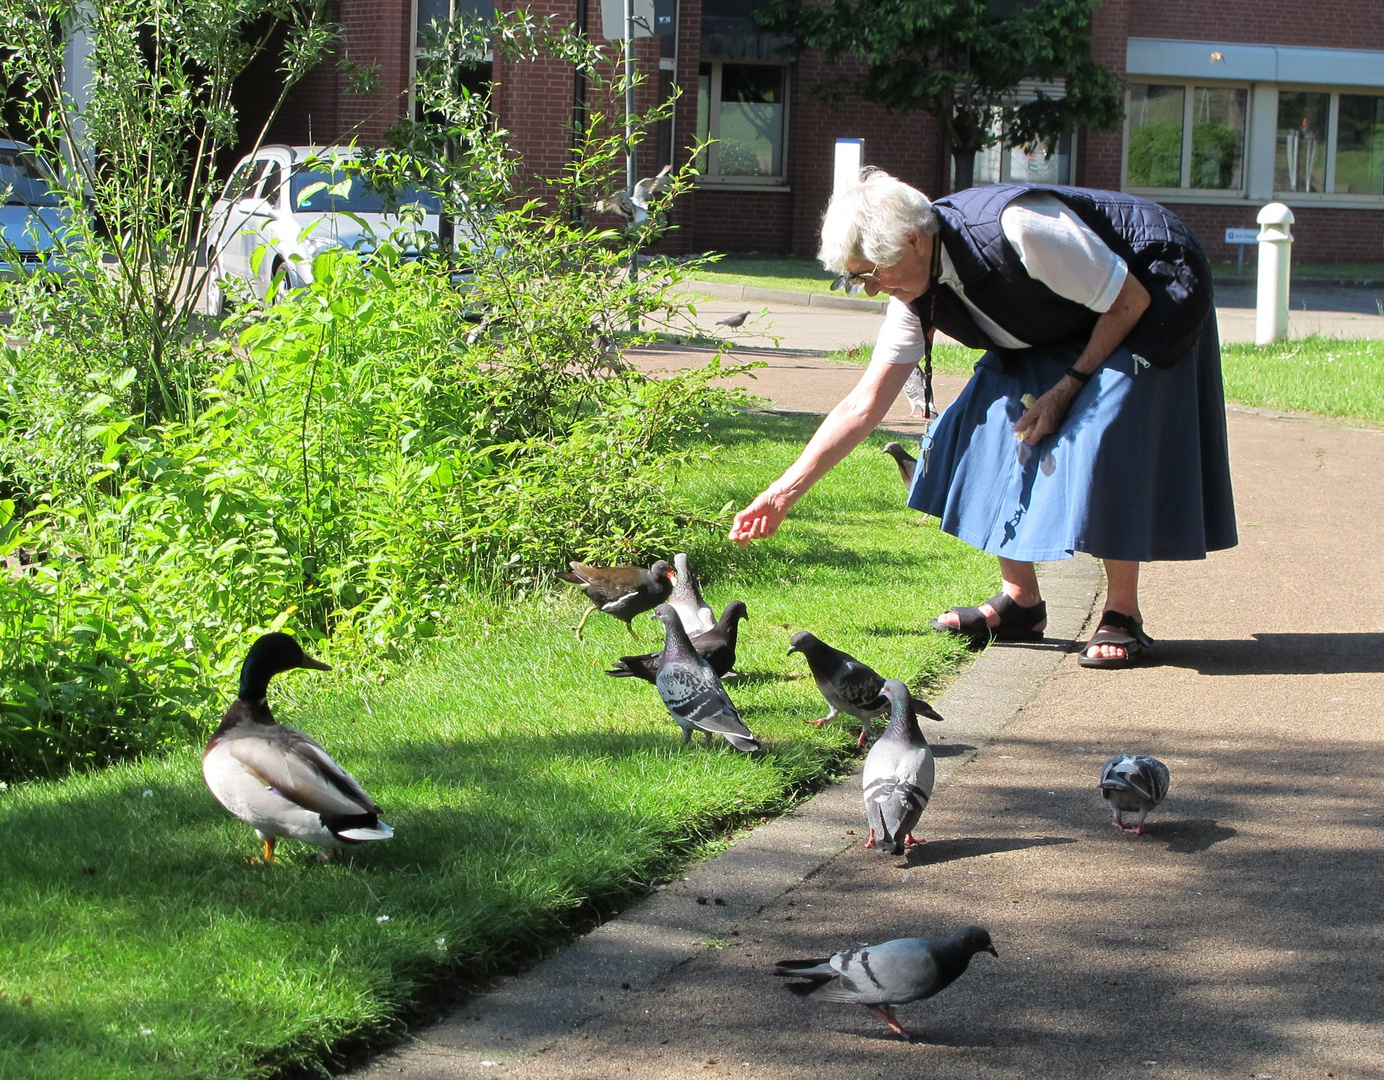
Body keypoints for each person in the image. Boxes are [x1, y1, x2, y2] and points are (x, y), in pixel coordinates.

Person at [728, 168, 1236, 668]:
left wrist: (1066, 389)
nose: (869, 289)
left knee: (1108, 424)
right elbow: (864, 404)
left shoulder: (1020, 228)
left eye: (870, 273)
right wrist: (781, 493)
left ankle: (1122, 611)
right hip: (1066, 312)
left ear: (914, 241)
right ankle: (1021, 604)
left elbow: (1128, 299)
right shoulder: (913, 293)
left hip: (1152, 287)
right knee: (985, 422)